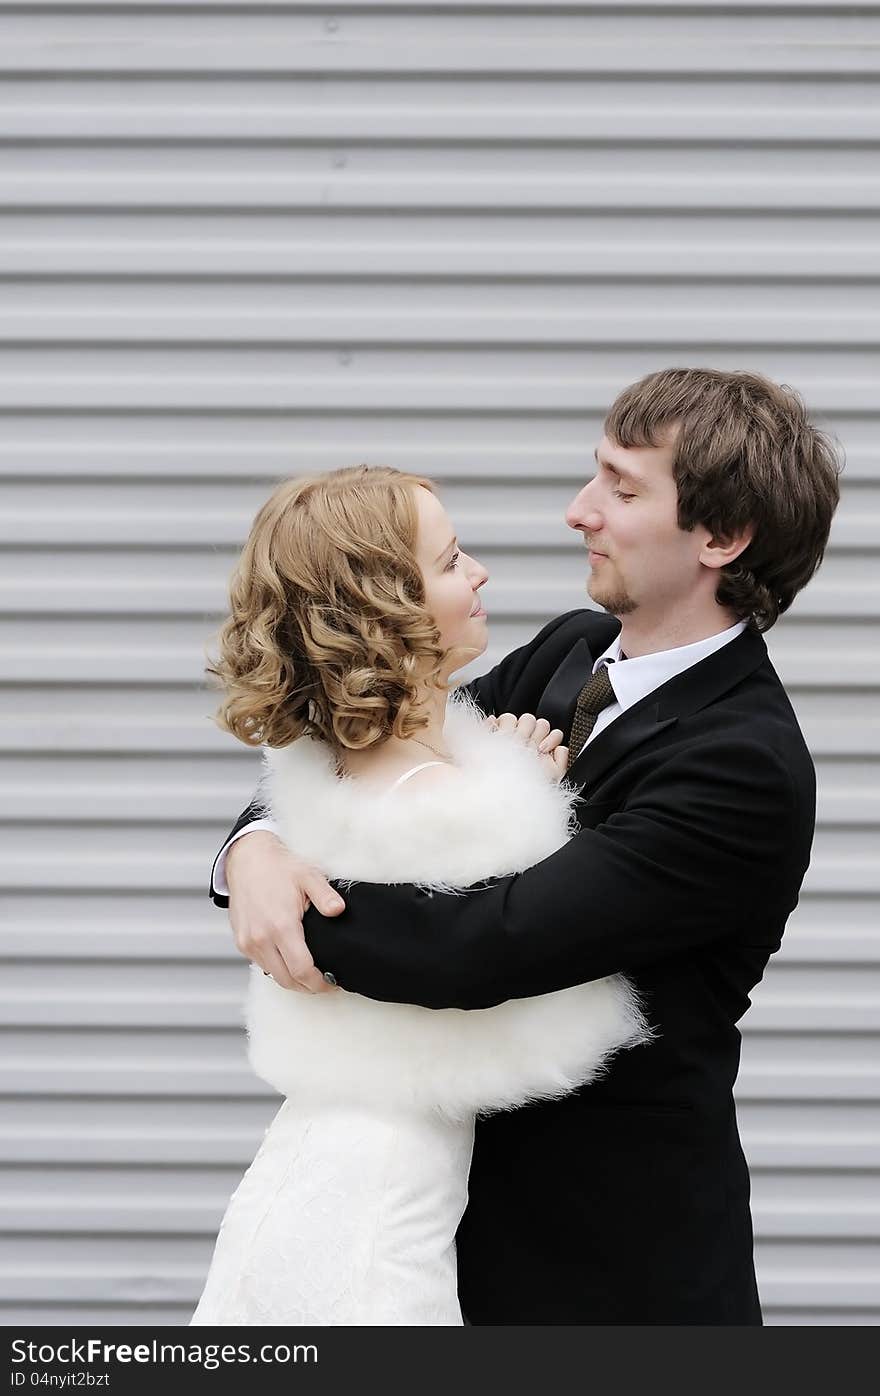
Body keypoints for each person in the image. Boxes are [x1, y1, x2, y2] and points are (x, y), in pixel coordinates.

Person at [213, 367, 842, 1325]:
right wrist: (251, 852)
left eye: (624, 489)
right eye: (596, 474)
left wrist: (300, 910)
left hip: (602, 1268)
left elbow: (483, 944)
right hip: (446, 1233)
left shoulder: (741, 764)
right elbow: (355, 745)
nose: (578, 512)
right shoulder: (569, 648)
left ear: (721, 538)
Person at [190, 465, 648, 1326]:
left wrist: (253, 842)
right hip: (376, 1209)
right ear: (384, 610)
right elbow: (553, 1006)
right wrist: (527, 785)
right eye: (451, 560)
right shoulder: (447, 802)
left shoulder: (330, 770)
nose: (479, 574)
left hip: (309, 1164)